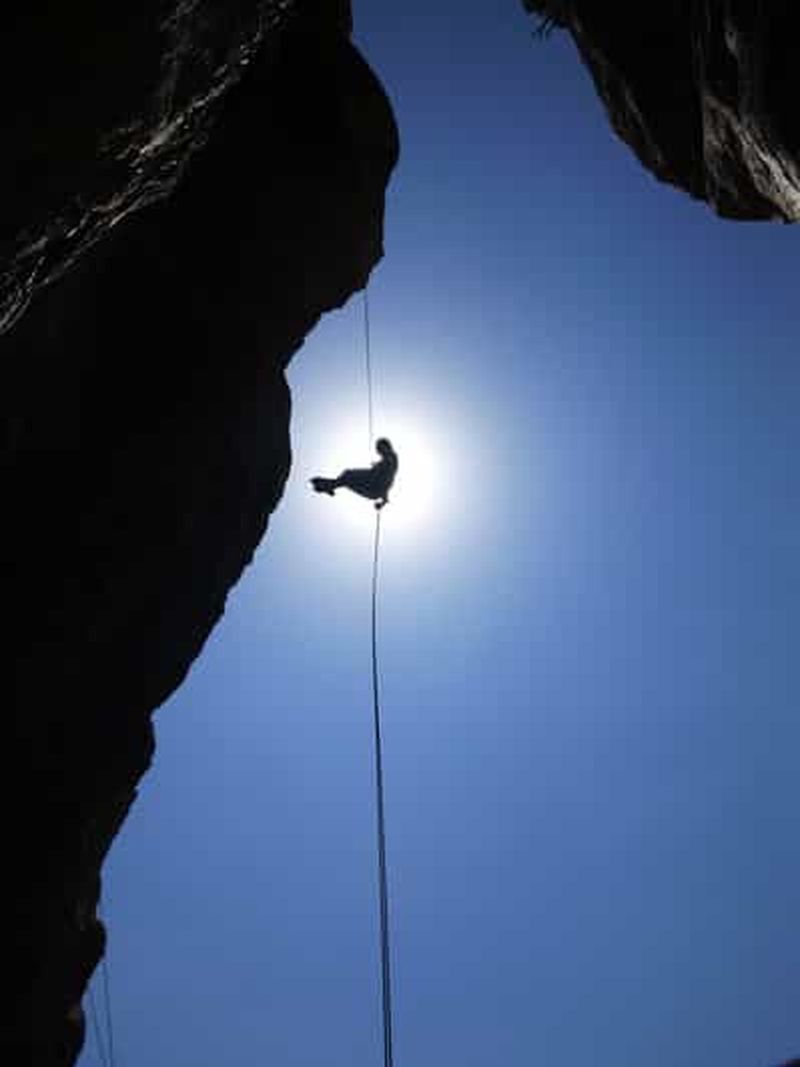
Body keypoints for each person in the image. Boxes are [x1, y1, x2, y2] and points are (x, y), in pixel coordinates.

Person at [311, 437, 398, 509]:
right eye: (378, 449)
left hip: (373, 484)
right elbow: (386, 492)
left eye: (379, 448)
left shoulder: (391, 457)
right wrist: (381, 504)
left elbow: (388, 475)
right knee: (346, 479)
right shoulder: (388, 460)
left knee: (347, 474)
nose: (378, 451)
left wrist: (378, 466)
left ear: (386, 446)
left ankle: (330, 485)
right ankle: (330, 486)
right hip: (374, 491)